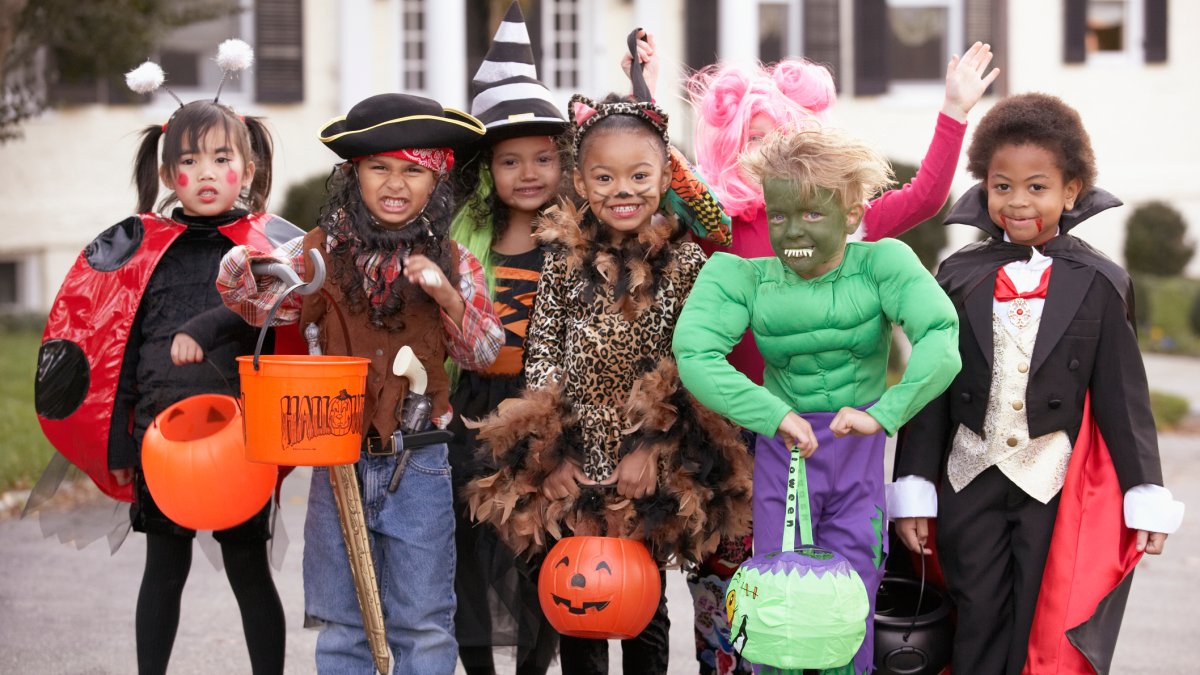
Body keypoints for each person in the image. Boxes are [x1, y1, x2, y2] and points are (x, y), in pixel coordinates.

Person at [663, 42, 997, 674]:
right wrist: (772, 414)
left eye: (811, 214)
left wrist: (884, 412)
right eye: (781, 215)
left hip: (856, 454)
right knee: (777, 606)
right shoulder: (739, 268)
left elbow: (940, 338)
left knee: (850, 606)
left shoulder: (882, 261)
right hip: (780, 450)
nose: (792, 232)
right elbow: (695, 352)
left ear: (850, 214)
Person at [889, 92, 1184, 675]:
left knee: (1038, 620)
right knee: (974, 614)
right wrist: (914, 484)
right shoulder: (956, 276)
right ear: (984, 187)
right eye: (1002, 186)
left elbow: (1124, 401)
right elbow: (930, 390)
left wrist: (1145, 492)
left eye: (1037, 186)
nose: (1018, 201)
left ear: (1071, 190)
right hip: (967, 478)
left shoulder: (1101, 282)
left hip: (1051, 485)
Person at [464, 93, 753, 675]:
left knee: (641, 603)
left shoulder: (688, 265)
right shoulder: (562, 259)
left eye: (640, 175)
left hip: (652, 455)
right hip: (577, 451)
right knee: (581, 601)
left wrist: (652, 447)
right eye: (604, 177)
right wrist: (552, 455)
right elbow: (543, 355)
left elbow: (695, 361)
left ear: (665, 178)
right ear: (580, 182)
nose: (623, 190)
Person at [217, 92, 503, 674]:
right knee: (342, 622)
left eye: (412, 171)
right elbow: (250, 300)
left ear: (436, 181)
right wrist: (250, 265)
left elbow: (484, 351)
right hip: (336, 458)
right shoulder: (318, 251)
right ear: (355, 174)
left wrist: (446, 295)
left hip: (419, 459)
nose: (395, 184)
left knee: (423, 622)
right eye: (379, 168)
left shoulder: (455, 261)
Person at [34, 42, 291, 674]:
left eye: (221, 158)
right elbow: (119, 344)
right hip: (161, 437)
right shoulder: (145, 251)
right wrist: (123, 440)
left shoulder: (261, 251)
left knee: (248, 567)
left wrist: (210, 328)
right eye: (189, 160)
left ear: (248, 169)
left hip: (240, 438)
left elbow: (272, 317)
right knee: (164, 567)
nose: (206, 172)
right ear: (169, 172)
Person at [446, 3, 567, 673]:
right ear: (486, 168)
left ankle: (532, 665)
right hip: (476, 402)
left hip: (547, 405)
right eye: (511, 160)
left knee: (540, 548)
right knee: (472, 547)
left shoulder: (576, 237)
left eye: (544, 158)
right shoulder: (467, 234)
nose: (529, 173)